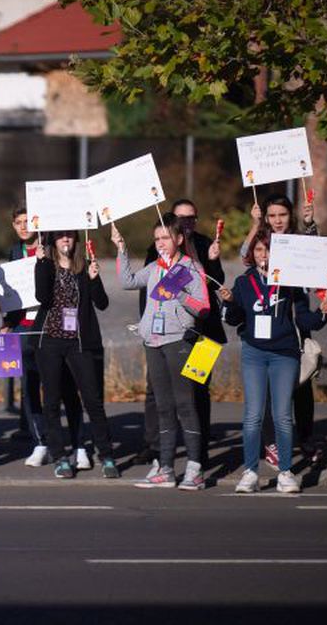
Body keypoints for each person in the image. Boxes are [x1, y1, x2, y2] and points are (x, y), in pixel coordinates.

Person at [220, 231, 327, 493]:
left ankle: (285, 472)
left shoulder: (292, 281)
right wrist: (230, 302)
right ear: (252, 255)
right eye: (258, 251)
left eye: (268, 250)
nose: (263, 256)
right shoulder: (244, 282)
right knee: (252, 415)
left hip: (284, 354)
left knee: (282, 415)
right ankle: (250, 472)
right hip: (254, 353)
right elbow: (235, 319)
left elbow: (303, 320)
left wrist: (322, 313)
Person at [113, 214, 211, 490]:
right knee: (163, 406)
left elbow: (204, 307)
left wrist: (180, 293)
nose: (161, 243)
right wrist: (121, 249)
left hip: (178, 340)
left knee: (185, 404)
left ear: (179, 239)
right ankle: (165, 467)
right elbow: (128, 281)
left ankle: (194, 468)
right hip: (152, 341)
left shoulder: (190, 267)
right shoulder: (155, 267)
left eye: (166, 237)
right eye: (157, 238)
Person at [137, 199, 226, 466]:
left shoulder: (205, 244)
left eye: (191, 218)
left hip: (203, 332)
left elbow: (214, 284)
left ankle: (199, 451)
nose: (186, 223)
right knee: (157, 391)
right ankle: (155, 446)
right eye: (181, 218)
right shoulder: (158, 249)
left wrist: (213, 261)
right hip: (164, 332)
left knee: (198, 388)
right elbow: (147, 290)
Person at [240, 194, 323, 465]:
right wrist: (254, 224)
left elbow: (319, 257)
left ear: (291, 216)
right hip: (266, 320)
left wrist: (310, 225)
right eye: (272, 215)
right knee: (264, 387)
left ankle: (307, 439)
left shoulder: (298, 239)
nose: (277, 220)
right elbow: (245, 255)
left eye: (282, 215)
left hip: (295, 316)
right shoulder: (263, 239)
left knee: (301, 384)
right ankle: (271, 442)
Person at [0, 207, 84, 467]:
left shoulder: (52, 247)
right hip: (24, 327)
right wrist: (6, 323)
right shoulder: (14, 253)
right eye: (19, 222)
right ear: (13, 225)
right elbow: (8, 293)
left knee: (65, 386)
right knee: (29, 386)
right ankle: (40, 442)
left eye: (28, 221)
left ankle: (78, 444)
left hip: (54, 326)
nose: (24, 226)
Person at [32, 231, 120, 479]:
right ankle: (60, 456)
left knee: (92, 400)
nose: (65, 241)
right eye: (60, 237)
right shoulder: (47, 265)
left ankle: (106, 455)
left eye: (69, 236)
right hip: (49, 340)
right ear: (53, 241)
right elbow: (42, 297)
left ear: (76, 240)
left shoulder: (84, 268)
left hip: (79, 342)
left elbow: (102, 303)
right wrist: (40, 264)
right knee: (51, 401)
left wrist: (94, 278)